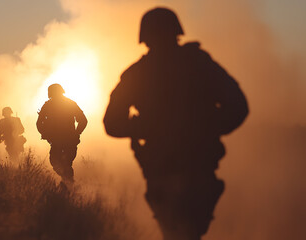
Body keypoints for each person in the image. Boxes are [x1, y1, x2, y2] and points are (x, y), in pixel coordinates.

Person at [104, 8, 248, 240]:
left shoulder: (137, 73)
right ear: (177, 32)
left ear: (145, 37)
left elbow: (112, 123)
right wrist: (208, 129)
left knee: (175, 232)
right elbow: (238, 107)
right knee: (190, 232)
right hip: (196, 167)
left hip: (164, 170)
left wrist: (143, 128)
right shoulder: (201, 64)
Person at [36, 84, 87, 187]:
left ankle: (68, 186)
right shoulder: (49, 105)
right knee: (55, 162)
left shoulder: (69, 104)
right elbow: (39, 123)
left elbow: (83, 120)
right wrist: (46, 134)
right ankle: (68, 183)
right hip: (57, 141)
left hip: (68, 140)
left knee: (66, 163)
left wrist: (76, 133)